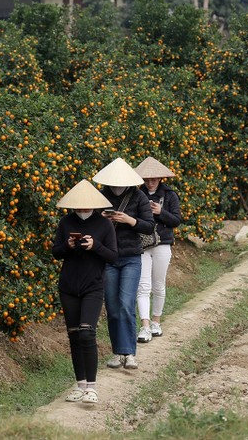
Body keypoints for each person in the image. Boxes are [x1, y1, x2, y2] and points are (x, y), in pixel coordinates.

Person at [52, 180, 117, 404]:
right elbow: (55, 252)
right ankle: (80, 385)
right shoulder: (65, 222)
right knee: (74, 336)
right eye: (77, 205)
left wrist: (95, 245)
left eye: (85, 204)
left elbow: (113, 256)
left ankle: (92, 387)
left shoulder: (104, 225)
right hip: (68, 287)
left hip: (93, 286)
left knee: (87, 333)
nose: (81, 208)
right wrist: (68, 246)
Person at [93, 158, 155, 370]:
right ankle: (118, 353)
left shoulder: (138, 196)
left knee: (126, 305)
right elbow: (90, 227)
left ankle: (129, 354)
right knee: (112, 308)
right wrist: (101, 219)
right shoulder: (101, 196)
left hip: (130, 258)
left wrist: (129, 220)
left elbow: (149, 226)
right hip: (108, 258)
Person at [134, 157, 182, 343]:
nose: (150, 182)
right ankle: (144, 326)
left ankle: (156, 322)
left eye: (154, 178)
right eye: (147, 179)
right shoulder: (137, 195)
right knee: (143, 285)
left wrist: (160, 212)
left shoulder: (170, 195)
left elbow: (176, 221)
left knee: (158, 284)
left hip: (163, 243)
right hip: (143, 244)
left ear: (160, 178)